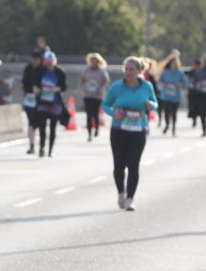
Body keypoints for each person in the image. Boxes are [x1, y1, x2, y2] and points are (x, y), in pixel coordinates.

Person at [102, 56, 158, 211]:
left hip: (138, 130)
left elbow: (155, 103)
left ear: (140, 71)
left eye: (131, 69)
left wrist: (150, 105)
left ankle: (130, 198)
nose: (128, 72)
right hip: (119, 129)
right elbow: (105, 104)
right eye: (126, 69)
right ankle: (121, 192)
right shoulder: (117, 87)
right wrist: (114, 113)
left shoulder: (147, 86)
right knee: (119, 165)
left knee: (133, 165)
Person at [33, 50, 68, 158]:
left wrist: (56, 88)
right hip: (43, 102)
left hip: (55, 102)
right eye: (47, 62)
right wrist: (36, 90)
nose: (48, 64)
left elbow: (64, 87)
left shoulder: (59, 72)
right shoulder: (40, 71)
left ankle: (50, 150)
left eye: (50, 62)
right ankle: (42, 148)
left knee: (53, 127)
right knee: (42, 126)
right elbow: (35, 84)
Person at [79, 52, 110, 141]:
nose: (94, 62)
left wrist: (102, 88)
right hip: (88, 95)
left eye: (96, 61)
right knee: (88, 114)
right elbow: (82, 81)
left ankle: (97, 128)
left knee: (95, 114)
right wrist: (82, 89)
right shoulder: (86, 71)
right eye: (92, 61)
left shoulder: (102, 71)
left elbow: (106, 81)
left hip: (97, 96)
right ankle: (89, 134)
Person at [157, 52, 188, 136]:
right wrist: (164, 85)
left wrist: (179, 85)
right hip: (166, 96)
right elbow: (159, 82)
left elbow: (185, 83)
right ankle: (167, 125)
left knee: (174, 113)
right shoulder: (165, 72)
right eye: (172, 63)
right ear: (170, 64)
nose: (174, 65)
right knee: (166, 112)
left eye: (175, 63)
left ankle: (174, 128)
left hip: (175, 97)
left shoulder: (179, 73)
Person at [21, 49, 43, 154]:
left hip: (41, 100)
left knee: (39, 123)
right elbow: (23, 82)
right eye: (33, 59)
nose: (35, 61)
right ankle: (32, 146)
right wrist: (25, 93)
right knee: (31, 123)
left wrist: (40, 90)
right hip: (29, 99)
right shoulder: (27, 69)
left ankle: (42, 146)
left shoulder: (43, 69)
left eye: (37, 59)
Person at [186, 58, 202, 128]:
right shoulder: (191, 72)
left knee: (199, 106)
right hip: (192, 92)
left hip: (199, 92)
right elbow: (185, 74)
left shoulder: (202, 72)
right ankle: (194, 119)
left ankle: (200, 118)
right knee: (191, 106)